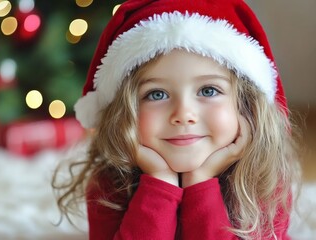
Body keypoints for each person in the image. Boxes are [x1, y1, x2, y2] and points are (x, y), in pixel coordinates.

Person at [52, 0, 301, 239]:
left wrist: (200, 183)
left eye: (208, 90)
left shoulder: (264, 180)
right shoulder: (109, 183)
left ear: (246, 106)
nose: (183, 114)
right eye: (157, 94)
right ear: (124, 111)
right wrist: (159, 183)